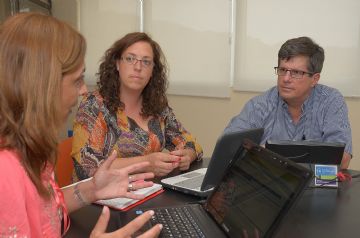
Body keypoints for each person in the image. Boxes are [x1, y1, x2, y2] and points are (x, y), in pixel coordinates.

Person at [0, 12, 162, 237]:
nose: (83, 90)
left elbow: (44, 209)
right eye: (77, 80)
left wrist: (92, 189)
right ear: (42, 86)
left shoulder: (29, 148)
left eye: (146, 62)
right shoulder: (5, 170)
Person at [71, 32, 203, 181]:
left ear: (153, 71)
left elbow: (190, 142)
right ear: (117, 64)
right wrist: (146, 163)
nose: (138, 67)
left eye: (146, 62)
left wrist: (188, 155)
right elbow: (86, 167)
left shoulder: (158, 106)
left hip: (147, 194)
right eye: (130, 59)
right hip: (100, 199)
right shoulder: (94, 105)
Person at [224, 36, 352, 169]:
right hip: (269, 184)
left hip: (315, 186)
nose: (285, 79)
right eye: (283, 70)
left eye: (296, 72)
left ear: (314, 79)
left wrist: (266, 155)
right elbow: (228, 148)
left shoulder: (331, 101)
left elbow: (342, 159)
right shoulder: (259, 105)